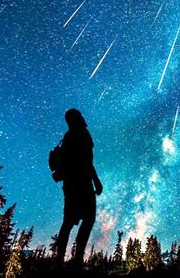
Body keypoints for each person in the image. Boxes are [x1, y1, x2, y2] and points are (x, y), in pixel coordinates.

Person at [54, 108, 103, 264]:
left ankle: (67, 259)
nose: (82, 117)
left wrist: (95, 180)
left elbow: (87, 161)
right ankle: (71, 260)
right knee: (80, 219)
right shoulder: (78, 135)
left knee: (75, 220)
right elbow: (86, 161)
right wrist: (96, 180)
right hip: (79, 184)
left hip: (75, 183)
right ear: (75, 119)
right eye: (79, 116)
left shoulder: (72, 135)